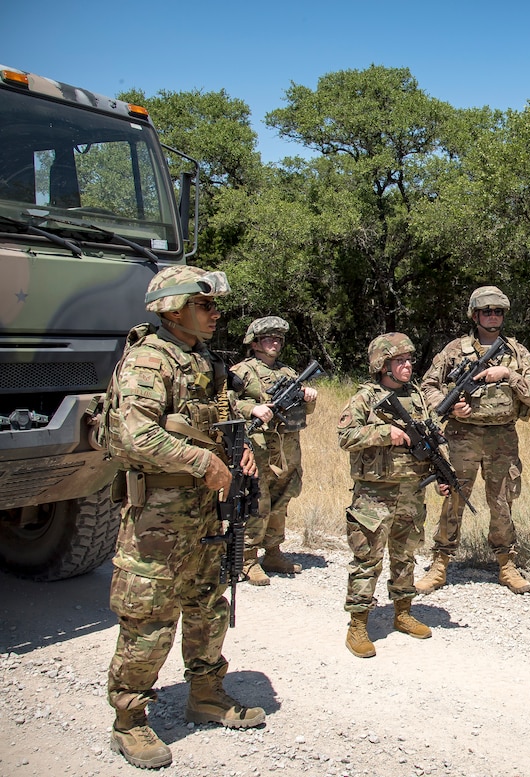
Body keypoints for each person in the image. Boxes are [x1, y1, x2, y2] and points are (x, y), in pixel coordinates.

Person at [105, 265, 266, 770]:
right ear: (173, 309)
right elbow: (135, 436)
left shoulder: (202, 361)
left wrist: (240, 449)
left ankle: (206, 694)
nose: (216, 314)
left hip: (205, 513)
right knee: (150, 617)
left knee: (207, 602)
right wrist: (204, 462)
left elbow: (218, 418)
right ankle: (130, 720)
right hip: (158, 517)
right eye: (206, 306)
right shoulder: (150, 362)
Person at [416, 285, 530, 595]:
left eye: (498, 311)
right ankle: (440, 563)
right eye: (486, 311)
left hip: (503, 438)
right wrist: (448, 404)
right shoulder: (454, 350)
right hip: (462, 437)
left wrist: (508, 375)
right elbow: (427, 387)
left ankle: (506, 564)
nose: (492, 316)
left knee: (502, 502)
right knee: (454, 498)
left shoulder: (516, 352)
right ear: (474, 315)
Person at [337, 333, 449, 657]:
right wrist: (387, 433)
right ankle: (358, 625)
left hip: (411, 491)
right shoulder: (365, 397)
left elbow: (433, 437)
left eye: (409, 359)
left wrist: (444, 474)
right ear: (382, 365)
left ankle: (403, 613)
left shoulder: (417, 397)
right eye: (400, 361)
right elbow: (345, 435)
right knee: (366, 559)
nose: (408, 365)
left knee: (405, 555)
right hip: (374, 494)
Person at [231, 316, 318, 585]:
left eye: (279, 339)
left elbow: (303, 412)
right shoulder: (242, 372)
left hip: (286, 446)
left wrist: (309, 398)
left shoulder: (288, 373)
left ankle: (272, 552)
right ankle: (247, 558)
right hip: (257, 447)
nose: (275, 343)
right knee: (257, 499)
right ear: (254, 343)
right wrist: (252, 409)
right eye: (269, 338)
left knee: (282, 499)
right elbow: (225, 402)